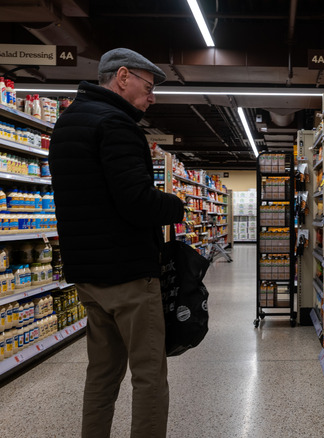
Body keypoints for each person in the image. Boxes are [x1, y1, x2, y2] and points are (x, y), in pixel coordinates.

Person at [49, 48, 185, 438]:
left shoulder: (67, 123)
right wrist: (175, 206)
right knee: (148, 374)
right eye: (149, 86)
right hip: (127, 273)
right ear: (122, 77)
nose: (152, 97)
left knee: (102, 373)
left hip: (87, 273)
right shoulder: (116, 124)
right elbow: (136, 202)